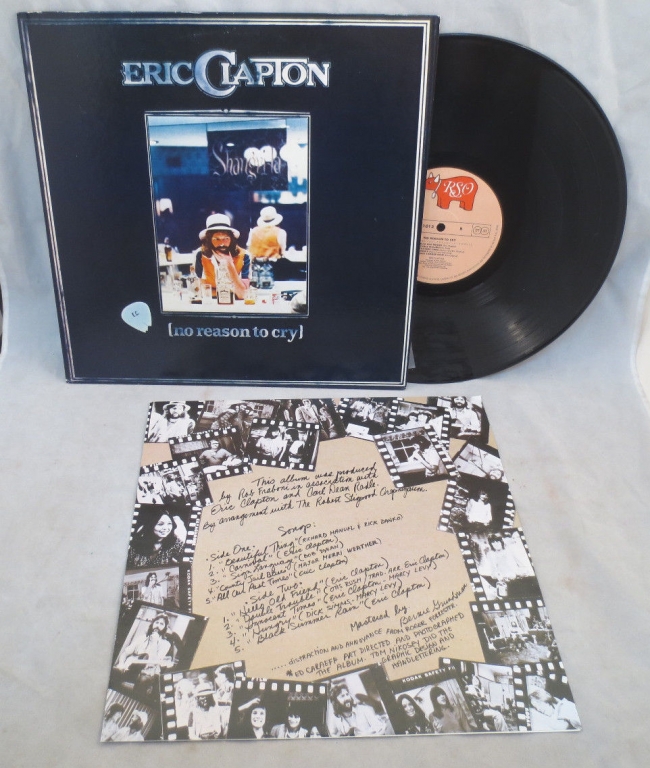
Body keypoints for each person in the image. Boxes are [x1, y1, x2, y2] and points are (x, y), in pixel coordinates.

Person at [115, 612, 174, 700]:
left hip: (148, 673)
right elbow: (125, 653)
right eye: (156, 622)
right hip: (131, 669)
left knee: (143, 681)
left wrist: (154, 642)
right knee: (115, 671)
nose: (158, 626)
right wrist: (121, 664)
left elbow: (153, 662)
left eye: (161, 624)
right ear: (152, 624)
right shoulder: (142, 638)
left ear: (165, 628)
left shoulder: (166, 644)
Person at [194, 213, 250, 300]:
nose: (222, 244)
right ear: (209, 240)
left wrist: (230, 266)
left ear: (232, 239)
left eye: (226, 238)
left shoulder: (244, 256)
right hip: (210, 302)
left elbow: (243, 294)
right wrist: (231, 291)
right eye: (217, 239)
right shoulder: (200, 255)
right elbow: (198, 290)